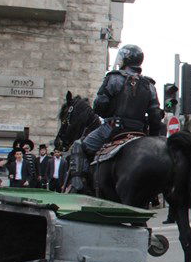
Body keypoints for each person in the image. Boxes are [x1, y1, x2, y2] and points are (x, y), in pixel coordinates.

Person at [67, 44, 164, 193]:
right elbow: (155, 116)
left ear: (125, 58)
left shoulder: (114, 78)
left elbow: (99, 106)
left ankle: (78, 185)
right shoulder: (149, 85)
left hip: (112, 129)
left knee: (78, 146)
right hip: (139, 132)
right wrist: (153, 137)